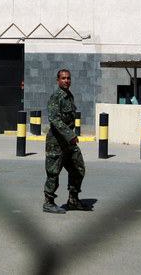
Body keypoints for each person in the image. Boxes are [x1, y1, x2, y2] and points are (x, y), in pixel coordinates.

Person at [43, 69, 87, 213]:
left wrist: (70, 137)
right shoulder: (56, 97)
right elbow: (54, 119)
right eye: (63, 78)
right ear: (58, 81)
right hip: (56, 142)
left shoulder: (69, 96)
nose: (66, 81)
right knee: (53, 173)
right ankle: (48, 202)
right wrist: (69, 134)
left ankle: (73, 200)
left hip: (69, 143)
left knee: (78, 168)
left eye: (68, 78)